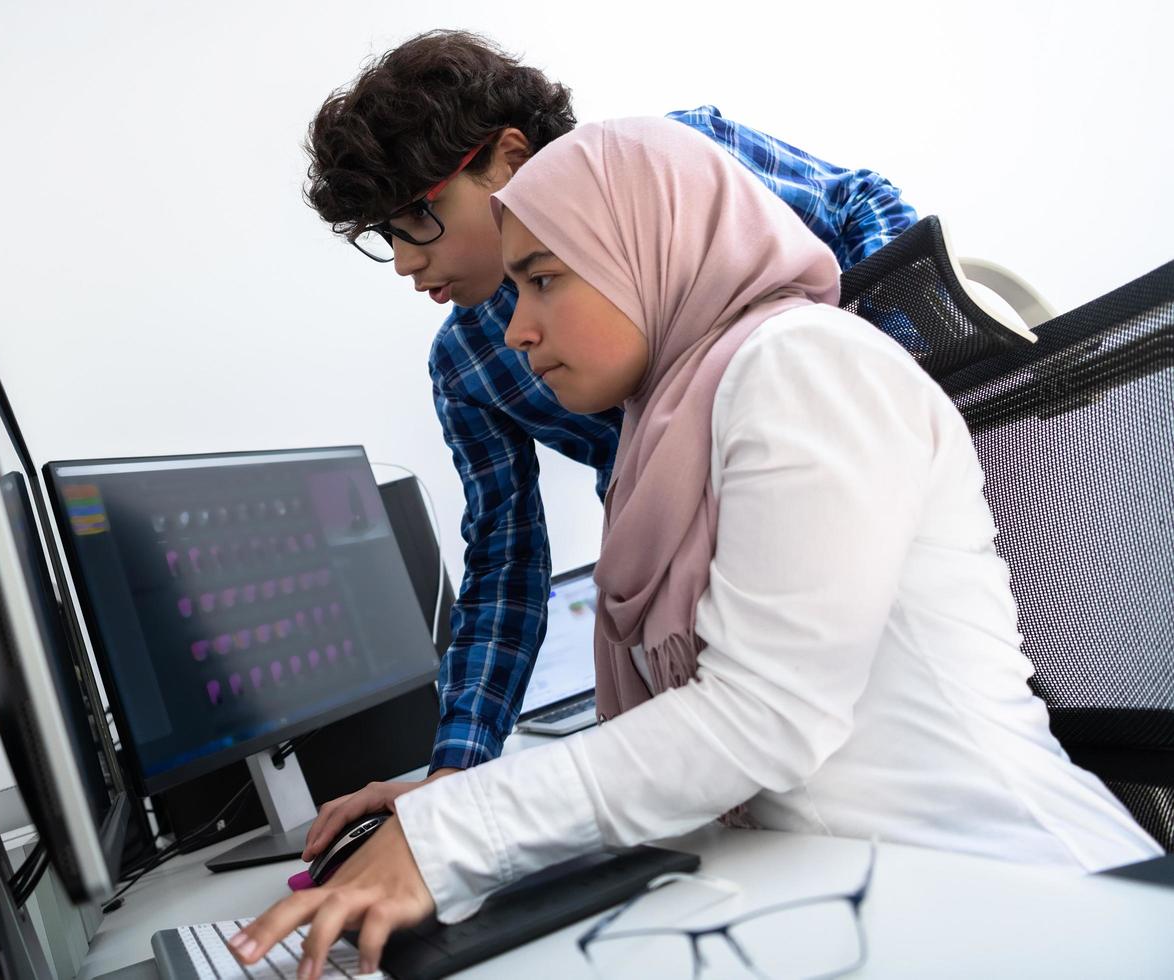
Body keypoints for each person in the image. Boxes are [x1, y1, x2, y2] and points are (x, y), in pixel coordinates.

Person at [229, 117, 1160, 977]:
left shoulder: (806, 368)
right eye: (514, 287)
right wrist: (450, 799)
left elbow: (760, 717)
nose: (515, 329)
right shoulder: (665, 434)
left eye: (545, 278)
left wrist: (448, 835)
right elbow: (531, 593)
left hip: (1024, 900)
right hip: (844, 887)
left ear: (650, 250)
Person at [299, 29, 922, 859]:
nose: (409, 263)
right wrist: (458, 778)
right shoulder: (470, 362)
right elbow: (504, 561)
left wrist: (881, 384)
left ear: (509, 159)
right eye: (387, 234)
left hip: (853, 545)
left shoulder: (676, 174)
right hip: (698, 614)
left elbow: (860, 205)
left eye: (421, 216)